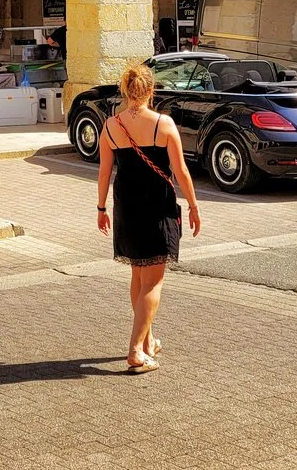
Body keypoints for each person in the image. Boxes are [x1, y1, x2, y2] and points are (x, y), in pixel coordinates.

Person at [96, 63, 201, 373]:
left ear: (125, 91)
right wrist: (193, 205)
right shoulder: (163, 124)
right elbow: (181, 171)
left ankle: (148, 341)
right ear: (151, 91)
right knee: (153, 281)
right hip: (157, 207)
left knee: (138, 276)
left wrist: (101, 209)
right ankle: (135, 351)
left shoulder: (110, 126)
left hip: (126, 206)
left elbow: (104, 172)